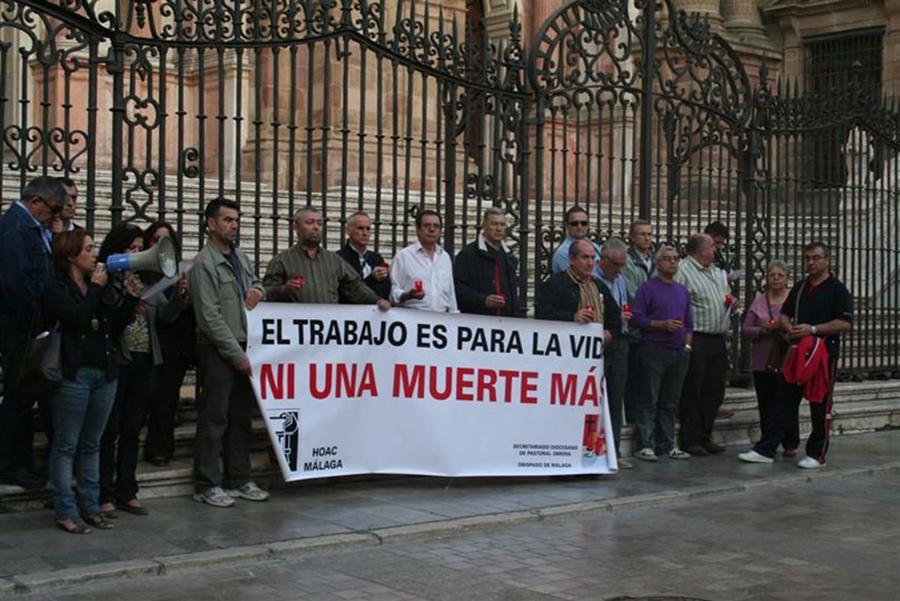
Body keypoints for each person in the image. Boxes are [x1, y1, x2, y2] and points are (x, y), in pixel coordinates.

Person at [43, 229, 140, 533]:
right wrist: (98, 289)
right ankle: (66, 510)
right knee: (66, 445)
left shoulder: (96, 285)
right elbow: (77, 318)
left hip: (104, 372)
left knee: (92, 444)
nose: (94, 254)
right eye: (88, 249)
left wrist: (129, 299)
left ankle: (92, 506)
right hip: (74, 373)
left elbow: (114, 322)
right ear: (71, 256)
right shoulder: (56, 288)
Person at [739, 243, 852, 468]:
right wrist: (788, 327)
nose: (811, 262)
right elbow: (784, 315)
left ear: (827, 260)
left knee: (819, 402)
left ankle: (816, 453)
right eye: (807, 258)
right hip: (797, 352)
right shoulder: (800, 288)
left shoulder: (837, 289)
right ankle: (766, 448)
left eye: (816, 258)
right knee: (783, 399)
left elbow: (845, 322)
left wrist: (813, 329)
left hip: (822, 354)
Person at [190, 197, 269, 507]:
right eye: (227, 220)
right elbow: (209, 317)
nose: (233, 225)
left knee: (240, 418)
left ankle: (239, 477)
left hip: (244, 347)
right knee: (214, 418)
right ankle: (207, 483)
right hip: (220, 351)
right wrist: (235, 354)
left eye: (236, 220)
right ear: (211, 224)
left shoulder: (240, 258)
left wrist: (258, 291)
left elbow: (259, 283)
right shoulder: (204, 264)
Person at [97, 224, 171, 517]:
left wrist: (178, 294)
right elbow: (109, 323)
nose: (137, 254)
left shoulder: (143, 280)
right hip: (118, 360)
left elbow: (165, 316)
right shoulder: (105, 279)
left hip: (143, 359)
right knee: (110, 430)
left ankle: (127, 489)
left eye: (141, 248)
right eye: (132, 248)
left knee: (131, 428)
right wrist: (129, 302)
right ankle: (104, 491)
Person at [0, 176, 67, 489]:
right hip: (21, 329)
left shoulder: (33, 227)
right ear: (35, 202)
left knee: (26, 396)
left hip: (32, 327)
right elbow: (15, 283)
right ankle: (11, 464)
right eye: (52, 209)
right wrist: (36, 323)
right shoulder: (16, 228)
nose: (55, 216)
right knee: (18, 396)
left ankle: (21, 460)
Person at [630, 245, 693, 461]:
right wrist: (660, 324)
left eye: (675, 258)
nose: (672, 262)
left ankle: (667, 444)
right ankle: (645, 444)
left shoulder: (682, 291)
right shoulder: (647, 288)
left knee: (669, 403)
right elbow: (637, 318)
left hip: (678, 352)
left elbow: (689, 323)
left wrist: (687, 346)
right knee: (649, 399)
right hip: (653, 349)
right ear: (658, 263)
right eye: (667, 258)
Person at [674, 233, 734, 457]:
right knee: (693, 390)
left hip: (717, 337)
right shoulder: (683, 271)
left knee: (714, 390)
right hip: (697, 337)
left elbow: (725, 296)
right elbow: (677, 303)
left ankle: (705, 436)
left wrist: (730, 302)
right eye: (712, 247)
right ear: (701, 251)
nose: (715, 250)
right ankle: (690, 439)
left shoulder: (717, 272)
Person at [262, 207, 390, 309]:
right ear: (296, 227)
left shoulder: (334, 260)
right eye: (309, 222)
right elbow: (266, 293)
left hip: (327, 330)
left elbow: (355, 287)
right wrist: (283, 290)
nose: (316, 227)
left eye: (319, 223)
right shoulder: (282, 260)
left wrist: (377, 300)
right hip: (295, 330)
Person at [143, 222, 194, 467]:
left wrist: (182, 294)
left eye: (166, 239)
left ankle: (161, 447)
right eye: (155, 239)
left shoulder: (180, 273)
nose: (160, 244)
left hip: (174, 345)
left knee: (166, 399)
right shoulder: (143, 272)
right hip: (148, 343)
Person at [741, 260, 798, 457]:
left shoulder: (793, 300)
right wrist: (762, 329)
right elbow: (746, 328)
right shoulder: (759, 301)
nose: (775, 279)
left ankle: (790, 441)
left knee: (785, 402)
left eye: (779, 275)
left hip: (785, 357)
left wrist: (782, 327)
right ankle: (768, 443)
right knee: (765, 401)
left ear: (787, 278)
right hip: (762, 359)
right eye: (772, 275)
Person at [535, 239, 621, 345]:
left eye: (593, 258)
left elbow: (614, 315)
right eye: (585, 257)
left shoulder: (598, 285)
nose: (590, 263)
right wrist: (572, 317)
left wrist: (610, 333)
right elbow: (542, 314)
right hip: (565, 347)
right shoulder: (556, 284)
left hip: (597, 350)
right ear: (572, 259)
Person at [595, 238, 633, 469]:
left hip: (620, 341)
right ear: (603, 261)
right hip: (600, 341)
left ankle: (614, 450)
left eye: (622, 264)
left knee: (616, 397)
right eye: (616, 264)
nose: (619, 269)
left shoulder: (620, 280)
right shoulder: (595, 280)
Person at [453, 207, 520, 316]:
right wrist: (483, 300)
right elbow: (458, 289)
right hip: (478, 321)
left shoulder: (509, 256)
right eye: (494, 224)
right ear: (484, 225)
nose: (499, 229)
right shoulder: (468, 254)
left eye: (502, 225)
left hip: (506, 322)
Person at [621, 219, 655, 425]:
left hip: (653, 327)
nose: (647, 238)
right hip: (636, 327)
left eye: (649, 234)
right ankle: (633, 416)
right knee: (634, 377)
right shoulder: (627, 261)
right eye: (642, 234)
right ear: (632, 237)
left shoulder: (656, 259)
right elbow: (632, 293)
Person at [391, 209, 458, 312]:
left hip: (442, 322)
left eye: (436, 226)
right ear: (418, 230)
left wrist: (454, 316)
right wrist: (407, 295)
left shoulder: (445, 257)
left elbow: (451, 295)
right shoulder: (403, 256)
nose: (432, 229)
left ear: (440, 231)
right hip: (413, 320)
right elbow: (392, 293)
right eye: (427, 225)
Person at [335, 211, 391, 300]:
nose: (365, 233)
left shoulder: (376, 258)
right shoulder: (339, 258)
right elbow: (345, 292)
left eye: (368, 229)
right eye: (360, 228)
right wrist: (372, 279)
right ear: (348, 231)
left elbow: (386, 289)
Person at [550, 206, 602, 278]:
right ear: (566, 225)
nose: (579, 227)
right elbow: (578, 278)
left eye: (583, 223)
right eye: (575, 223)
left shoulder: (594, 246)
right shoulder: (563, 253)